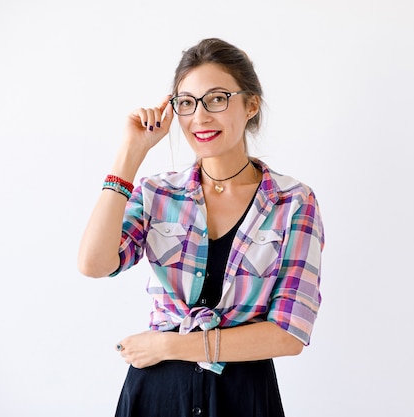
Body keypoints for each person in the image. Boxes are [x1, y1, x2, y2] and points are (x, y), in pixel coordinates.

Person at [77, 37, 325, 417]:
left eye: (217, 99)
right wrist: (130, 155)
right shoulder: (157, 193)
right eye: (186, 103)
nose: (200, 117)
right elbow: (95, 264)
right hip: (158, 396)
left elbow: (288, 334)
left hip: (242, 397)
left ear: (251, 105)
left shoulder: (292, 202)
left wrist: (166, 346)